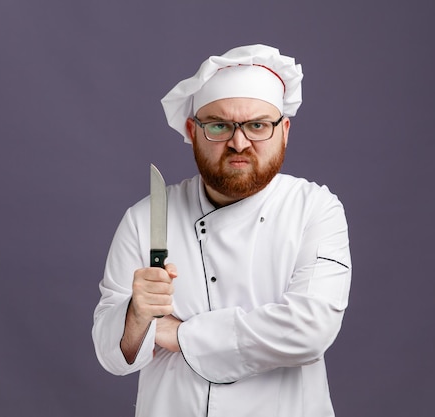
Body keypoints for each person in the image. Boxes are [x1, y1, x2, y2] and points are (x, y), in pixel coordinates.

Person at [92, 44, 352, 417]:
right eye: (219, 125)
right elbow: (111, 356)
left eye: (257, 125)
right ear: (192, 130)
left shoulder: (314, 209)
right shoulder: (147, 218)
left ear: (285, 131)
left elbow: (309, 331)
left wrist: (175, 333)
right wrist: (137, 315)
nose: (239, 142)